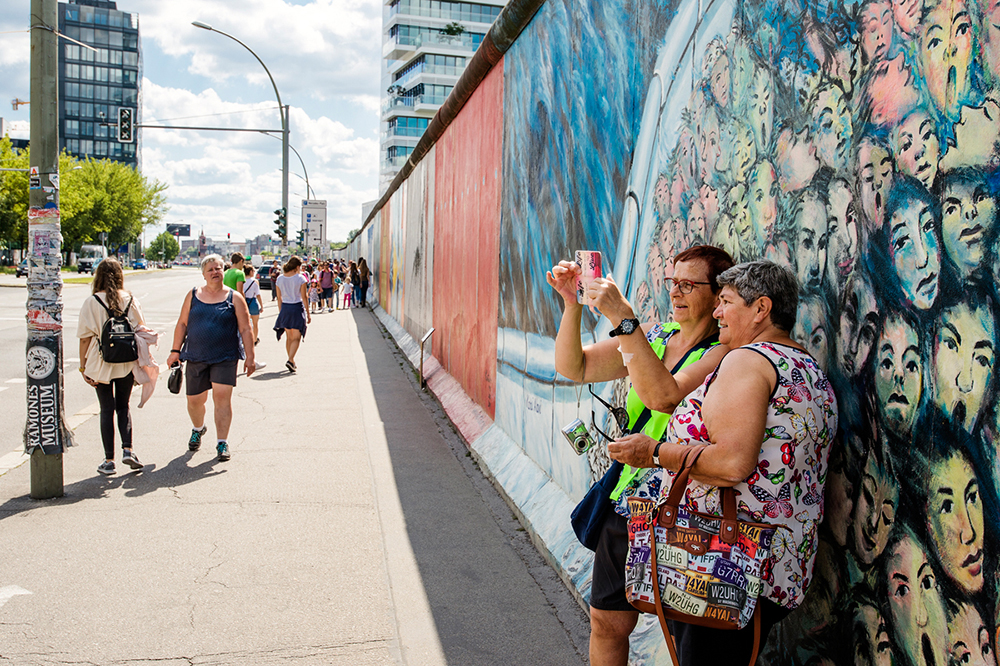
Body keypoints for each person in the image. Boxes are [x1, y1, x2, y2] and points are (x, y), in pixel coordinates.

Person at [609, 261, 838, 665]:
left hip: (721, 562)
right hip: (771, 565)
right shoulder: (805, 367)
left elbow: (732, 463)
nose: (716, 312)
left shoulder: (748, 361)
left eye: (726, 302)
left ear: (761, 308)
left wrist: (654, 453)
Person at [547, 245, 735, 666]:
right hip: (627, 501)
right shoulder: (657, 337)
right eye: (673, 282)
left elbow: (664, 396)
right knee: (606, 622)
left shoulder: (720, 352)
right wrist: (571, 305)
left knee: (685, 636)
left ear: (717, 292)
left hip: (680, 508)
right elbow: (573, 366)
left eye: (689, 284)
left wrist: (622, 318)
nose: (677, 292)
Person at [166, 254, 256, 462]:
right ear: (204, 274)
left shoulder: (234, 297)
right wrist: (175, 351)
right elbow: (182, 324)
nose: (215, 272)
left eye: (218, 268)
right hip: (196, 355)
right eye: (210, 270)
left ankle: (222, 442)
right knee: (195, 401)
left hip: (225, 356)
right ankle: (198, 428)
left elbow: (245, 327)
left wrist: (250, 357)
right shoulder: (193, 295)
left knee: (222, 398)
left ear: (223, 271)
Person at [77, 257, 146, 475]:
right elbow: (140, 329)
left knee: (106, 409)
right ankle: (128, 450)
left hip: (100, 362)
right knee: (123, 406)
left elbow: (84, 338)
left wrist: (83, 366)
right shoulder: (130, 299)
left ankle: (109, 461)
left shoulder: (92, 302)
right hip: (126, 360)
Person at [274, 256, 311, 372]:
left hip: (285, 308)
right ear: (297, 266)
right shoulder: (301, 278)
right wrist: (308, 313)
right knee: (296, 337)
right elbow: (304, 297)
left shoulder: (280, 279)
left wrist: (281, 312)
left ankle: (292, 360)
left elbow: (278, 298)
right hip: (296, 307)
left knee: (289, 337)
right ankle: (290, 359)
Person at [243, 264, 264, 345]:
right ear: (251, 272)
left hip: (244, 302)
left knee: (245, 323)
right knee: (255, 324)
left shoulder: (241, 281)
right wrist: (261, 306)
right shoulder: (255, 282)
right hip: (253, 302)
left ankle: (245, 340)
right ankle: (254, 339)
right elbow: (258, 295)